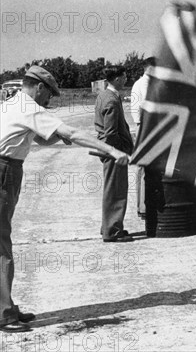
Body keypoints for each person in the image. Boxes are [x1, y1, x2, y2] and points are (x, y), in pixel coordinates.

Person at [0, 66, 128, 333]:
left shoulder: (14, 103)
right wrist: (111, 150)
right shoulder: (29, 108)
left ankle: (6, 306)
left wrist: (55, 136)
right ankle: (3, 314)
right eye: (50, 95)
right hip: (4, 170)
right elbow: (73, 133)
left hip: (8, 168)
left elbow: (39, 139)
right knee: (1, 244)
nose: (50, 102)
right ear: (39, 87)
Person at [94, 67, 134, 243]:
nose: (126, 79)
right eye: (124, 76)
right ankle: (112, 231)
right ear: (117, 79)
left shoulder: (104, 95)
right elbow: (111, 133)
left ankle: (109, 227)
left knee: (113, 189)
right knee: (115, 191)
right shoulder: (111, 100)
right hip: (114, 152)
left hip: (110, 150)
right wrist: (117, 152)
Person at [130, 57, 156, 220]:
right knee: (145, 168)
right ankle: (144, 207)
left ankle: (144, 206)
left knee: (144, 168)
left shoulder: (143, 83)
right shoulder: (145, 84)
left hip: (144, 126)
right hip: (146, 127)